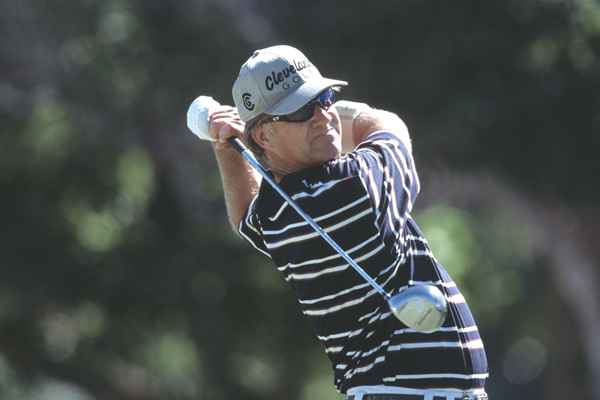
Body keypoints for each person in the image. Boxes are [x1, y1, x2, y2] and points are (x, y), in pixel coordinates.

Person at [206, 45, 489, 400]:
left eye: (325, 98)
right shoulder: (351, 186)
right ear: (263, 136)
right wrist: (346, 109)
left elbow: (245, 217)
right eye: (301, 110)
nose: (322, 116)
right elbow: (390, 128)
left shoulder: (276, 216)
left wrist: (225, 148)